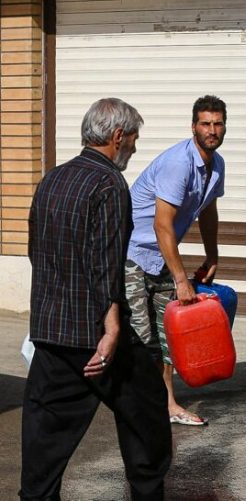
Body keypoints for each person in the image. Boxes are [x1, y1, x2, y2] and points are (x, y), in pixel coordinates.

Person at [21, 98, 171, 499]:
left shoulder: (51, 178)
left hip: (51, 328)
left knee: (46, 427)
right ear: (118, 136)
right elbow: (107, 262)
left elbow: (36, 250)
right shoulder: (109, 184)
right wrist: (111, 330)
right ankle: (146, 491)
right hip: (94, 334)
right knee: (148, 406)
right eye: (135, 138)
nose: (135, 148)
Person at [125, 95, 227, 426]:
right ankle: (137, 404)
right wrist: (181, 279)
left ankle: (166, 403)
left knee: (167, 336)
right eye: (205, 123)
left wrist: (212, 254)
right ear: (193, 126)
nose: (212, 130)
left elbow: (208, 209)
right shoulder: (179, 164)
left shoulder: (216, 164)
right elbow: (161, 224)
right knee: (142, 335)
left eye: (217, 123)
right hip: (133, 254)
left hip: (162, 255)